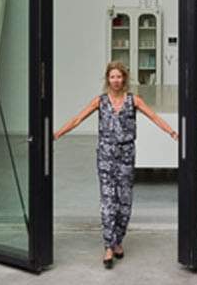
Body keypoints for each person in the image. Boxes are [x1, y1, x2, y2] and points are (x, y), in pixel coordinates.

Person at [53, 59, 178, 267]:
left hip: (127, 154)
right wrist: (58, 134)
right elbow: (78, 119)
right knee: (108, 201)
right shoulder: (100, 101)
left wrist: (172, 132)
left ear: (124, 78)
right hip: (105, 155)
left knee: (125, 202)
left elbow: (154, 117)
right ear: (108, 79)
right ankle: (109, 247)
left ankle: (118, 240)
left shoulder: (133, 100)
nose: (116, 80)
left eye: (119, 76)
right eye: (112, 77)